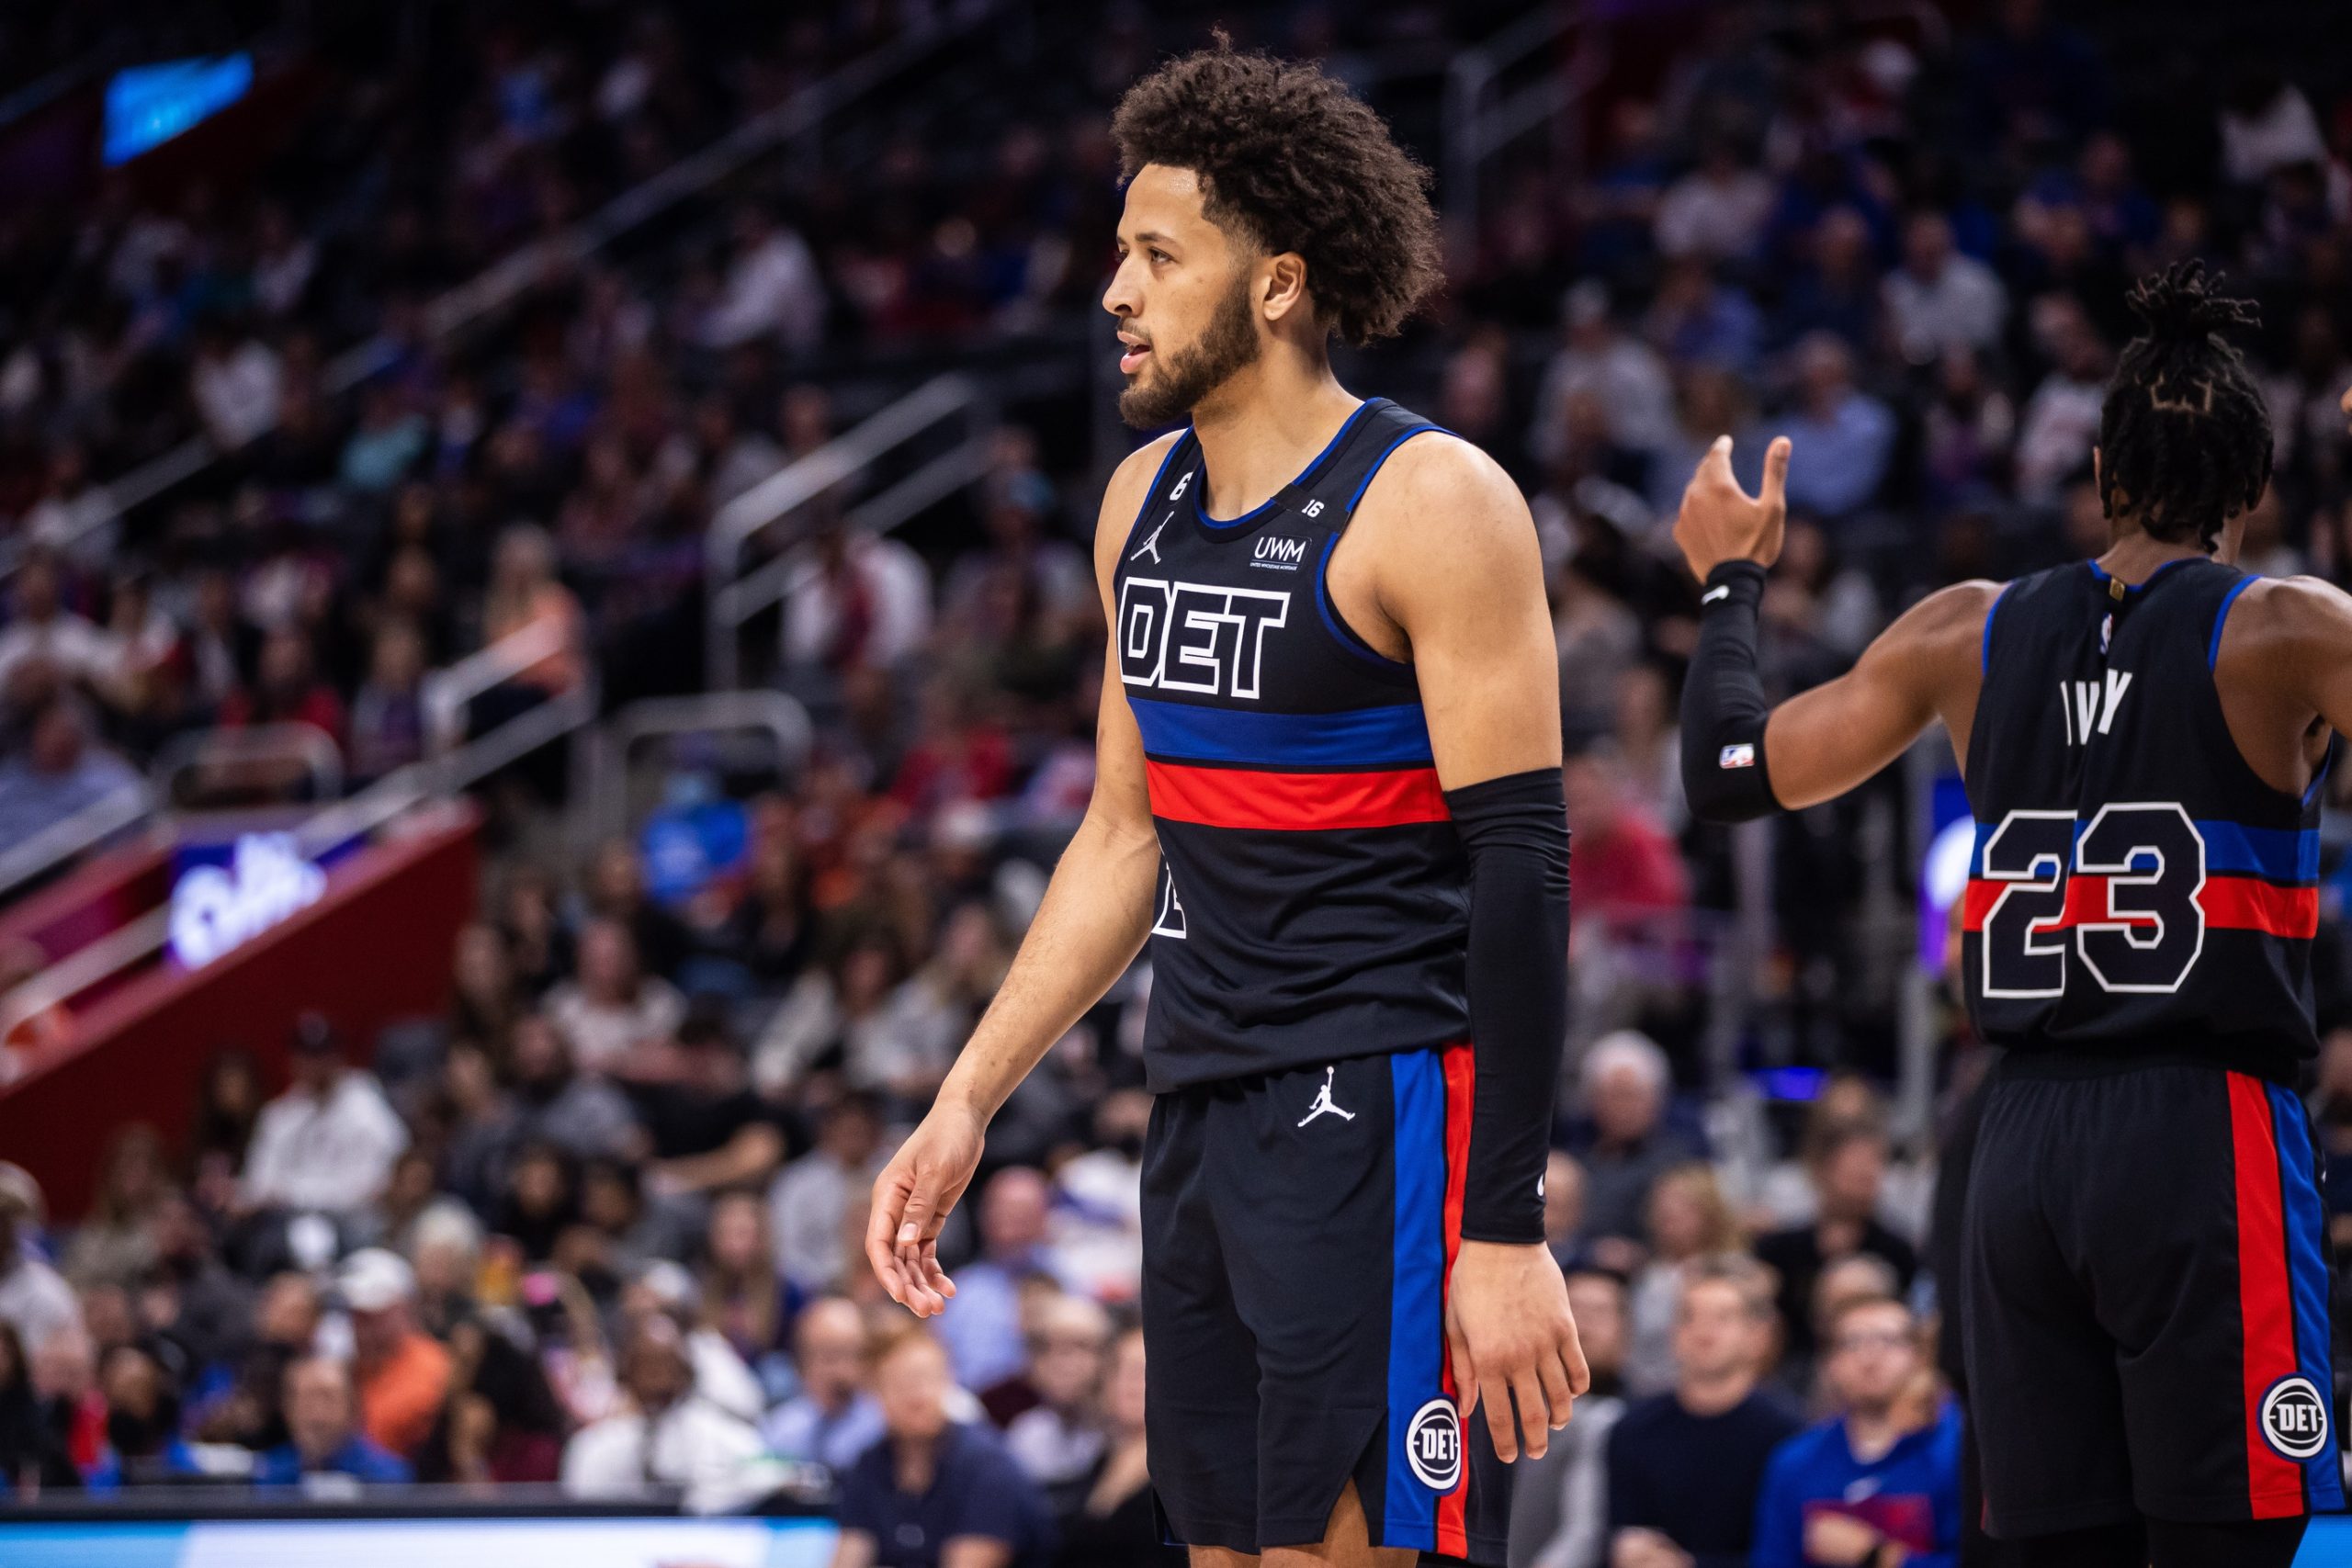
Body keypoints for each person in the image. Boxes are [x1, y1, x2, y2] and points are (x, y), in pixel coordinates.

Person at [867, 40, 1586, 1567]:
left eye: (1155, 254)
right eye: (1117, 253)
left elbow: (1524, 866)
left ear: (1275, 283)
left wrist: (1506, 1224)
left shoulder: (1432, 500)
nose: (1115, 293)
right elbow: (1125, 833)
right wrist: (966, 1096)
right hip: (1198, 1102)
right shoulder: (1143, 504)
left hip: (1378, 1102)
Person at [1674, 261, 2346, 1568]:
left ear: (2097, 466)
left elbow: (1728, 770)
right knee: (2246, 1540)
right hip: (2197, 1129)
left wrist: (1726, 584)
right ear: (2258, 485)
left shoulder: (1965, 630)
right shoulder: (2285, 627)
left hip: (2013, 1141)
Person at [1604, 1258, 1799, 1568]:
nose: (1703, 1330)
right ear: (1673, 1333)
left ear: (1757, 1337)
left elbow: (1786, 1554)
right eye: (1689, 1316)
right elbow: (1616, 1531)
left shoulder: (1789, 1436)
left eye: (1723, 1318)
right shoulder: (1633, 1430)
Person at [1751, 1295, 1962, 1568]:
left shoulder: (1955, 1451)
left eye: (1888, 1340)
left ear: (1919, 1356)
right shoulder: (1794, 1462)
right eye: (1853, 1343)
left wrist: (1875, 1555)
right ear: (1830, 1364)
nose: (1870, 1358)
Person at [831, 1327, 1055, 1568]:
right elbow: (849, 1556)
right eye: (902, 1382)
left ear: (949, 1380)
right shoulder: (869, 1464)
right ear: (874, 1391)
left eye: (928, 1378)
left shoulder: (988, 1468)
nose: (918, 1394)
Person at [1752, 1124, 1917, 1369]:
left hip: (1870, 1366)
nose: (1865, 1175)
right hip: (1790, 1370)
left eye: (1873, 1168)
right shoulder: (1777, 1249)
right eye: (1853, 1169)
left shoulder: (1899, 1252)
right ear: (1823, 1172)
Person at [560, 1314, 766, 1506]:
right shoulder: (594, 1447)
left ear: (686, 1373)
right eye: (647, 1368)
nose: (660, 1382)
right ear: (625, 1373)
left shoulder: (718, 1436)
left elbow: (766, 1472)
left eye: (669, 1368)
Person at [239, 1015, 409, 1220]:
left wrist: (293, 1193)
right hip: (282, 1219)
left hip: (348, 1219)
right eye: (305, 1056)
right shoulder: (281, 1114)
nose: (313, 1065)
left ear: (338, 1057)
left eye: (320, 1056)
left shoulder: (365, 1104)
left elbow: (374, 1182)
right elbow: (258, 1183)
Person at [1518, 1270, 1630, 1568]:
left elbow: (1584, 1532)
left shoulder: (1632, 1423)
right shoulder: (1505, 1400)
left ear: (1626, 1329)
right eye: (1572, 1308)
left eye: (1599, 1312)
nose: (1583, 1324)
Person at [1052, 1325, 1184, 1568]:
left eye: (1141, 1371)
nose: (1127, 1382)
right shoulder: (1103, 1459)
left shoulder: (1184, 1475)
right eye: (1118, 1368)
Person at [335, 1247, 451, 1462]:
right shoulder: (344, 1367)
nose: (362, 1326)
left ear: (406, 1309)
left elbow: (379, 1438)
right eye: (355, 1314)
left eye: (374, 1315)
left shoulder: (432, 1370)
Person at [761, 1294, 886, 1472]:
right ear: (803, 1362)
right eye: (830, 1357)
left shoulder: (883, 1429)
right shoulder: (781, 1430)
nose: (842, 1370)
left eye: (853, 1355)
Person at [254, 1355, 413, 1485]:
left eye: (328, 1398)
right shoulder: (266, 1473)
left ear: (353, 1408)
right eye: (306, 1400)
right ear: (286, 1409)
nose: (317, 1415)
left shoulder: (387, 1478)